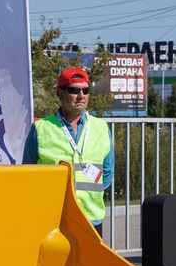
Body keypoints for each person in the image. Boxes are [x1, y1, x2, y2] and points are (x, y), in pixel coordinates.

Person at [26, 66, 114, 228]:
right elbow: (28, 173)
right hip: (53, 217)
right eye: (74, 90)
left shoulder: (101, 128)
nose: (81, 96)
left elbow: (107, 173)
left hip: (90, 217)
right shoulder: (41, 128)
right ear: (60, 93)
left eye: (85, 90)